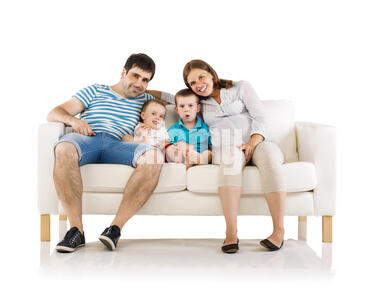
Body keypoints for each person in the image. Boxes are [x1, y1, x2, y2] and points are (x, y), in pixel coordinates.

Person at [48, 53, 170, 252]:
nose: (139, 83)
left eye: (145, 80)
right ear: (123, 72)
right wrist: (75, 121)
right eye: (135, 76)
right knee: (64, 147)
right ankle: (76, 231)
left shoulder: (147, 100)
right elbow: (54, 112)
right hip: (88, 139)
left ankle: (114, 229)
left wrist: (148, 89)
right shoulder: (96, 90)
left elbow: (179, 98)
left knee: (154, 156)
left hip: (119, 144)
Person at [183, 59, 287, 253]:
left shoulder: (240, 88)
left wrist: (252, 143)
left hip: (258, 141)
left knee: (271, 158)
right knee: (230, 160)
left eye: (201, 77)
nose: (198, 84)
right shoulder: (198, 103)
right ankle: (231, 233)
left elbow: (260, 117)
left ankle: (278, 231)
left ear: (211, 74)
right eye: (192, 83)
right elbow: (171, 98)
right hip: (227, 148)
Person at [166, 88, 212, 168]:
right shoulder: (173, 130)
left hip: (199, 156)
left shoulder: (205, 128)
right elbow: (169, 148)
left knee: (208, 153)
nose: (186, 110)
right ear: (177, 110)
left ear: (197, 108)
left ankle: (199, 160)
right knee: (177, 147)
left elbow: (210, 146)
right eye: (182, 106)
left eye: (190, 106)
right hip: (183, 157)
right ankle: (186, 163)